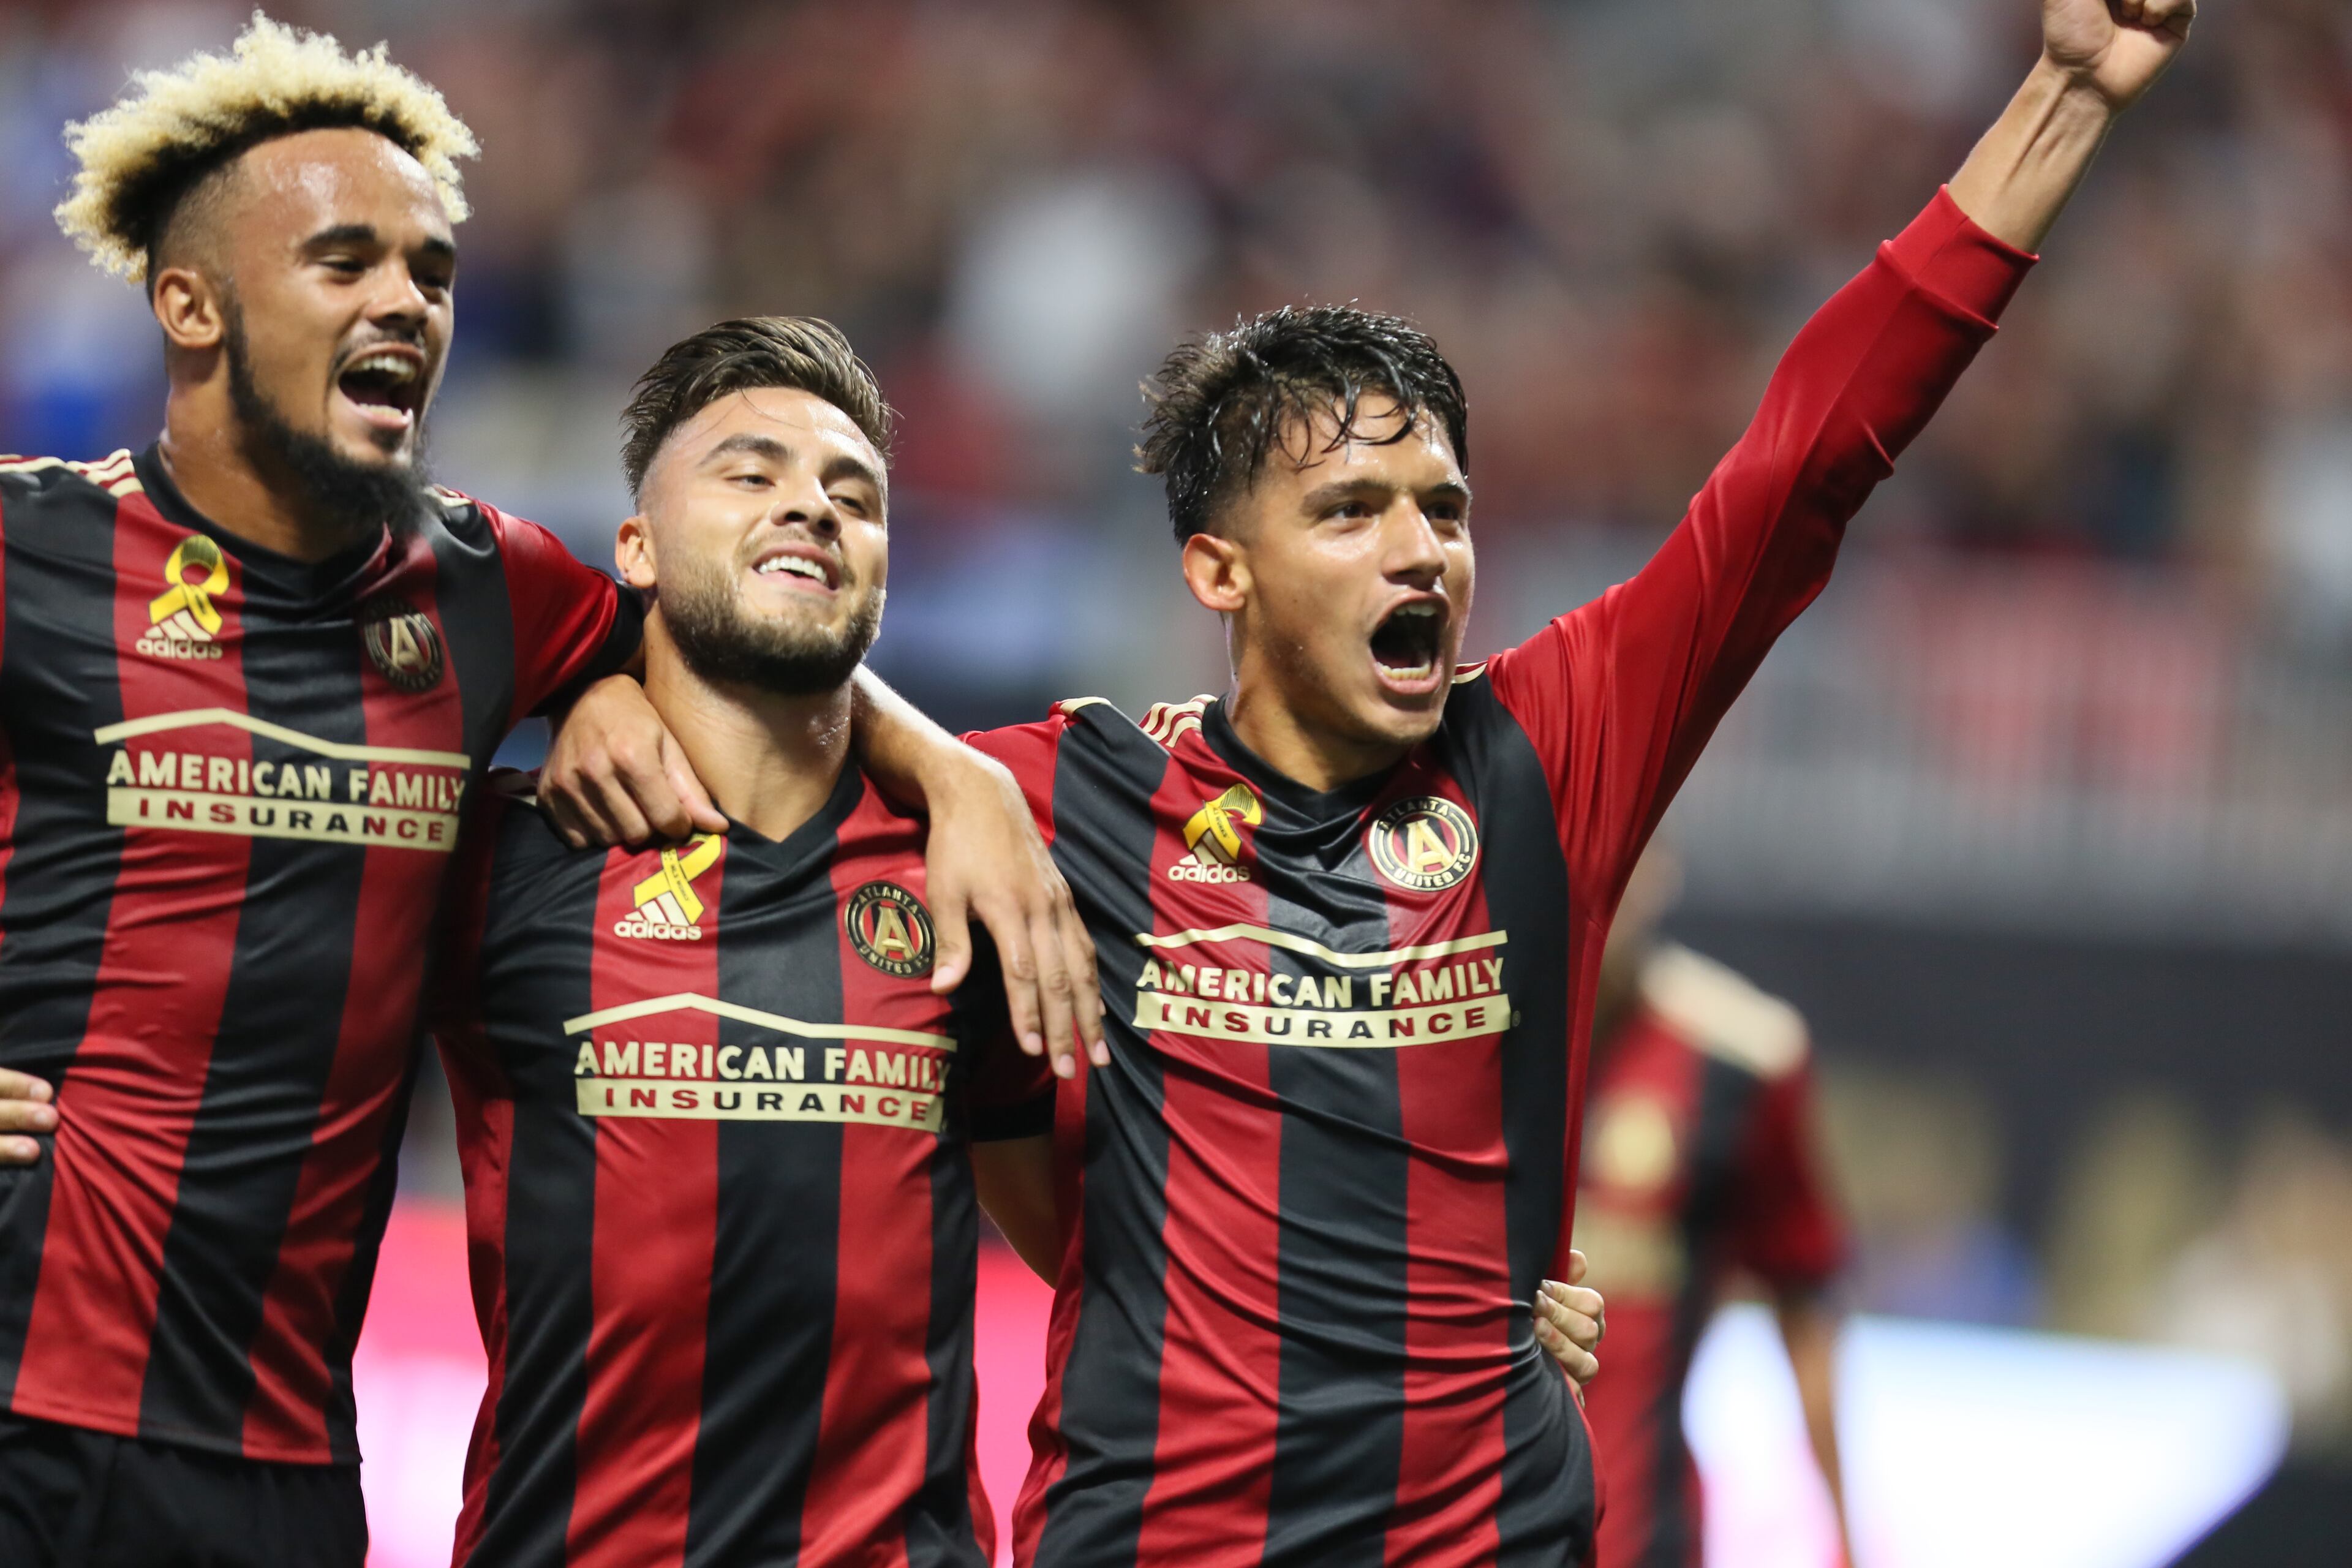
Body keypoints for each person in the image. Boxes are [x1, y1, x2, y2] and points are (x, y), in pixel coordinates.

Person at [726, 1, 2185, 1561]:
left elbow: (1809, 458)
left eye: (1444, 504)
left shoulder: (1542, 752)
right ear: (1219, 568)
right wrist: (884, 743)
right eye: (1351, 508)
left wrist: (2064, 93)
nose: (1422, 546)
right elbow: (754, 719)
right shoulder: (1067, 790)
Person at [0, 21, 1091, 1567]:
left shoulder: (482, 590)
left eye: (431, 272)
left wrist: (955, 772)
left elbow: (756, 641)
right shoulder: (28, 551)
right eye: (343, 261)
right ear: (190, 302)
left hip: (285, 1460)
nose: (404, 303)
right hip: (18, 1399)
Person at [1575, 846, 1852, 1568]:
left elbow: (1806, 1307)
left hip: (1645, 1534)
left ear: (1658, 869)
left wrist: (1843, 1530)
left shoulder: (1741, 1057)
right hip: (1451, 1529)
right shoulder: (1435, 1029)